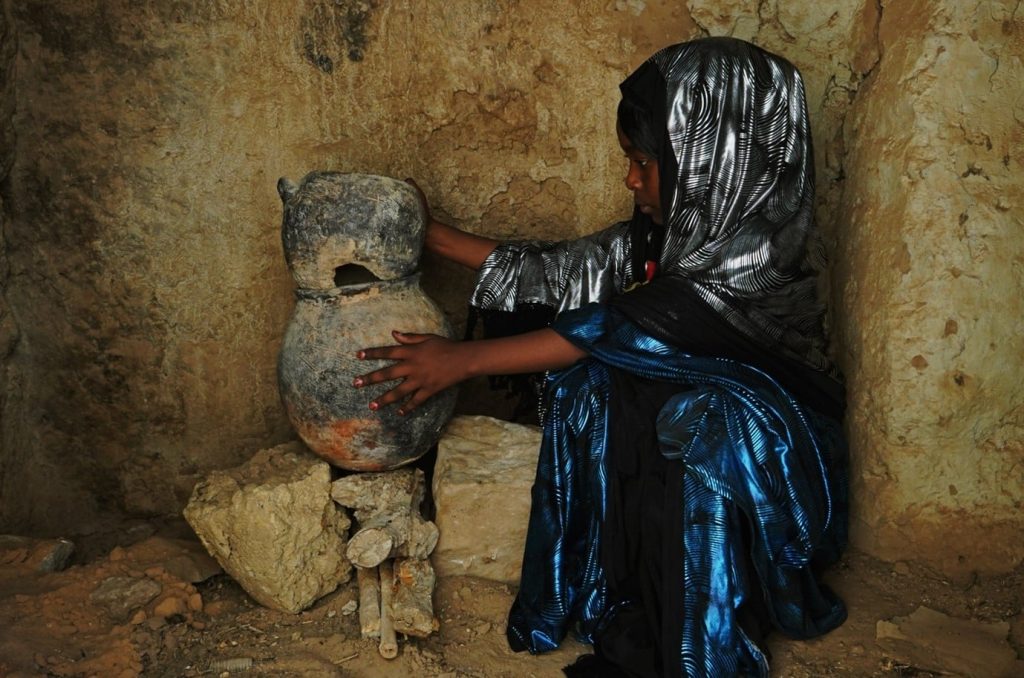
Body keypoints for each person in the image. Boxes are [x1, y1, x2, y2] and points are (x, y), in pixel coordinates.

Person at [354, 36, 848, 677]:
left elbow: (623, 321)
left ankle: (707, 633)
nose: (631, 178)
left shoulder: (754, 259)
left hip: (783, 474)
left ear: (711, 160)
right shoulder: (666, 238)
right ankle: (621, 592)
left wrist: (462, 361)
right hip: (682, 440)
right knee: (592, 384)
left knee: (709, 421)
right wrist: (429, 234)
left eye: (646, 161)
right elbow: (566, 272)